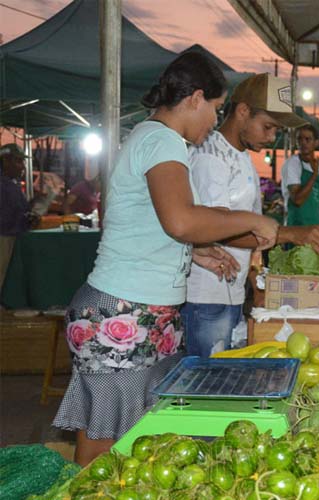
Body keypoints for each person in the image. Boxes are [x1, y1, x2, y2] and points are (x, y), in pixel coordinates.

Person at [52, 52, 281, 466]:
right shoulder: (161, 141)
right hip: (122, 311)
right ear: (195, 98)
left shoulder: (157, 139)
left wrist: (196, 253)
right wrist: (249, 218)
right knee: (104, 449)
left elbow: (151, 222)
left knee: (136, 443)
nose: (215, 120)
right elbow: (180, 220)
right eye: (214, 108)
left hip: (145, 311)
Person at [184, 73, 319, 358]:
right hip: (206, 296)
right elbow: (210, 228)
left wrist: (255, 279)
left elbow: (244, 221)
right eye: (267, 127)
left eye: (276, 131)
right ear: (243, 111)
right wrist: (289, 234)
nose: (271, 138)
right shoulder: (211, 158)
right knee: (206, 383)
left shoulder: (240, 155)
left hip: (229, 291)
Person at [0, 144, 39, 289]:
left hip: (10, 236)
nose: (22, 166)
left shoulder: (11, 183)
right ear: (5, 161)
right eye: (18, 161)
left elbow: (18, 209)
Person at [282, 124, 319, 226]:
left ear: (316, 143)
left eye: (307, 139)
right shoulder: (292, 164)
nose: (303, 143)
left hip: (314, 226)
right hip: (296, 227)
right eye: (299, 139)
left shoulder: (318, 166)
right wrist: (314, 175)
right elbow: (297, 200)